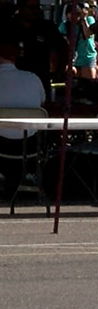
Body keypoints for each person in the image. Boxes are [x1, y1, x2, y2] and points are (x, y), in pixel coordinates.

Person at [0, 24, 47, 194]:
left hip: (2, 142)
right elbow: (42, 104)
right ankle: (30, 174)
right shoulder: (33, 79)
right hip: (30, 144)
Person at [10, 0, 66, 101]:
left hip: (40, 80)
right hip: (13, 81)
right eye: (31, 7)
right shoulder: (9, 27)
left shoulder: (47, 27)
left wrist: (59, 72)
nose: (35, 11)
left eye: (37, 7)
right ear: (20, 7)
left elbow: (64, 49)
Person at [59, 1, 98, 81]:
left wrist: (83, 19)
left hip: (87, 57)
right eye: (71, 13)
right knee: (73, 83)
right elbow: (60, 40)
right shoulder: (65, 25)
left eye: (77, 14)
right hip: (73, 59)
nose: (74, 16)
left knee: (88, 82)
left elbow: (88, 35)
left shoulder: (89, 20)